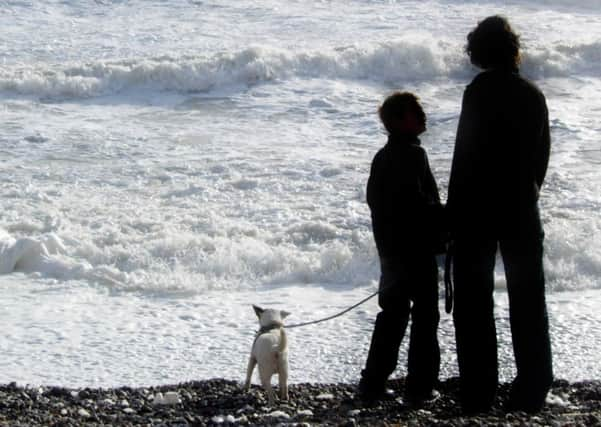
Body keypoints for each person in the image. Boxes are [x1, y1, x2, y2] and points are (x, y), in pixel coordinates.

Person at [446, 16, 553, 414]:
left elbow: (466, 156)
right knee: (529, 300)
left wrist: (452, 213)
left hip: (477, 209)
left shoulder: (478, 92)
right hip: (523, 208)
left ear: (478, 52)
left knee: (474, 303)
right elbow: (541, 157)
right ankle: (533, 387)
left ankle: (479, 390)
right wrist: (528, 193)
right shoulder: (532, 93)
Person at [359, 92, 444, 406]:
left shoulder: (384, 156)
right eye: (415, 111)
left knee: (392, 317)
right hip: (414, 251)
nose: (422, 115)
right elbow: (417, 205)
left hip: (392, 251)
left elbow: (378, 204)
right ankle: (420, 387)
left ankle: (373, 383)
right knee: (424, 318)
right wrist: (446, 217)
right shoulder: (411, 155)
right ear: (398, 121)